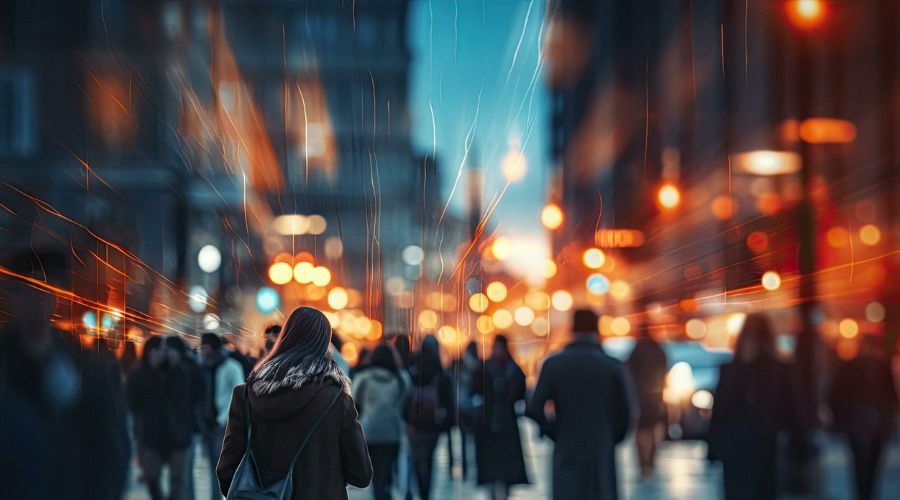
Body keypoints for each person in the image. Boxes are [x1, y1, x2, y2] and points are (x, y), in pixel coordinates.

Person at [0, 250, 130, 500]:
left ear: (55, 298)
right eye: (26, 290)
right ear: (12, 297)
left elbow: (110, 441)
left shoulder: (84, 363)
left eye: (43, 291)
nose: (35, 300)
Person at [216, 307, 372, 498]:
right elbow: (361, 475)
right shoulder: (337, 400)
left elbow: (227, 470)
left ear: (285, 337)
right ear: (323, 343)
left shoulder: (246, 395)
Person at [526, 309, 633, 500]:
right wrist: (610, 437)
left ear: (572, 328)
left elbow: (534, 408)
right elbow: (627, 412)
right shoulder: (613, 366)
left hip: (567, 447)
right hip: (600, 449)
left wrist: (555, 432)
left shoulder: (553, 364)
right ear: (597, 329)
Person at [707, 313, 798, 500]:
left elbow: (720, 411)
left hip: (746, 446)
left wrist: (714, 448)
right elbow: (790, 410)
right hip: (758, 446)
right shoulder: (776, 370)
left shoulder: (735, 370)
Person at [127, 336, 198, 500]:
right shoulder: (140, 374)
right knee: (152, 477)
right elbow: (133, 401)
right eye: (159, 350)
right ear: (149, 352)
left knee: (178, 481)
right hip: (151, 436)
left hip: (178, 435)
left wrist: (177, 364)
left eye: (166, 350)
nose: (163, 354)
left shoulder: (180, 371)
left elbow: (192, 394)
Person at [829, 334, 898, 500]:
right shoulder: (874, 366)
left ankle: (864, 495)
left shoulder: (857, 366)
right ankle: (866, 495)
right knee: (867, 467)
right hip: (869, 424)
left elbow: (835, 396)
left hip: (867, 425)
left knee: (864, 467)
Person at [470, 335, 529, 499]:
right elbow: (475, 391)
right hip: (488, 421)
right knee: (492, 461)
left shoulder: (512, 369)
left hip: (506, 422)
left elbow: (520, 392)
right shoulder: (485, 368)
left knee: (506, 463)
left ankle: (504, 490)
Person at [353, 342, 411, 500]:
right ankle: (386, 491)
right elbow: (406, 402)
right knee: (388, 467)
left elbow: (354, 402)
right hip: (393, 431)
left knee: (375, 470)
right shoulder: (402, 378)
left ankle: (380, 493)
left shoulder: (363, 378)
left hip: (369, 431)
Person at [404, 335, 452, 500]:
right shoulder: (439, 370)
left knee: (416, 459)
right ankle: (426, 493)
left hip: (415, 423)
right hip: (433, 424)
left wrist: (407, 420)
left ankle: (419, 488)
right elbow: (447, 398)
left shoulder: (414, 365)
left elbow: (407, 396)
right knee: (429, 460)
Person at [200, 333, 245, 500]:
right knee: (213, 466)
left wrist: (225, 418)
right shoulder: (202, 367)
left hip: (225, 423)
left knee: (225, 465)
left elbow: (238, 393)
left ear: (212, 348)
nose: (202, 350)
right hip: (208, 423)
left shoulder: (231, 367)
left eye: (204, 347)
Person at [625, 326, 668, 478]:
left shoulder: (636, 351)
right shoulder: (658, 350)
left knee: (641, 430)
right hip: (655, 396)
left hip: (640, 396)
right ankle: (650, 461)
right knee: (652, 429)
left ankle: (643, 464)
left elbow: (628, 372)